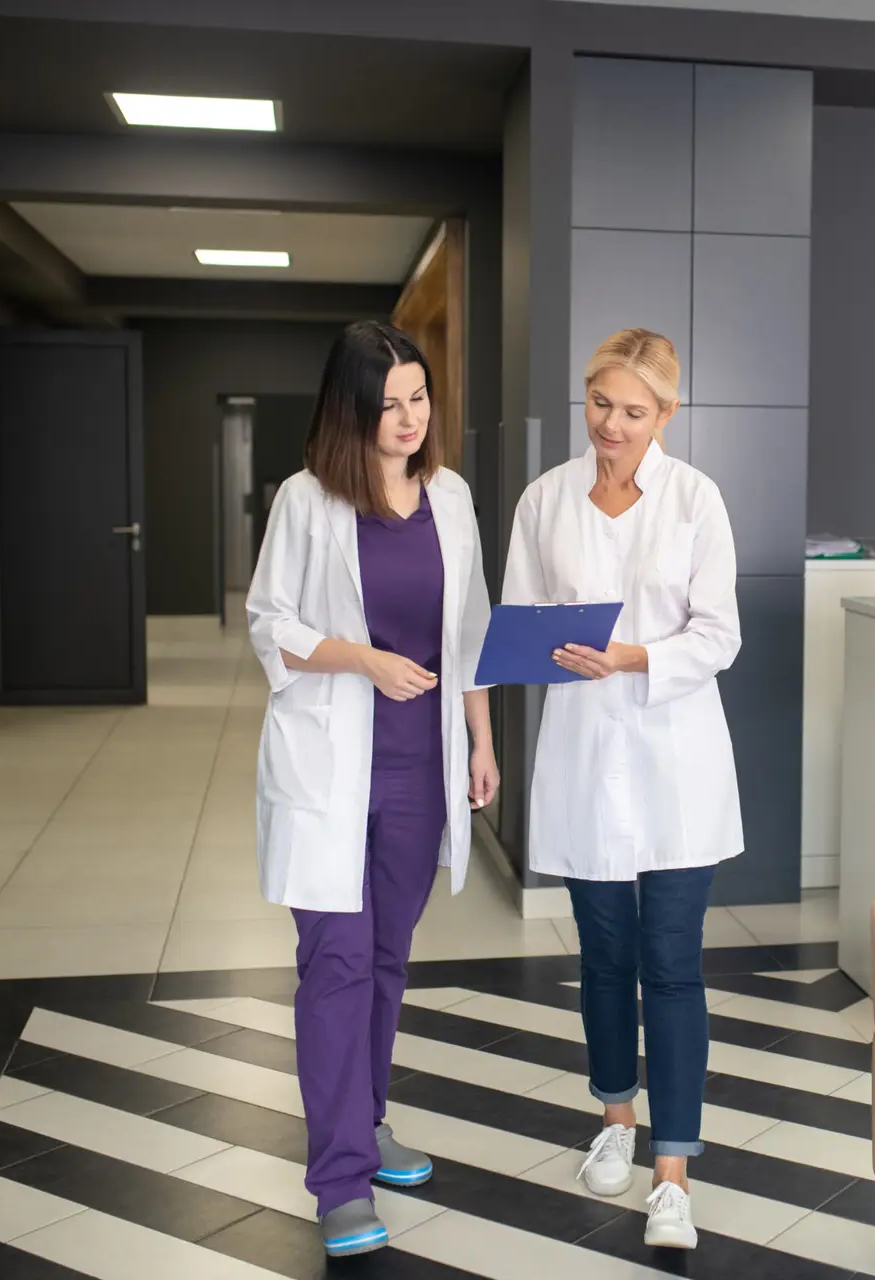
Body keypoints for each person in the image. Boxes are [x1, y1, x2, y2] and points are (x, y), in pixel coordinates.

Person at [245, 321, 498, 1258]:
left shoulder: (454, 498)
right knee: (338, 966)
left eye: (420, 398)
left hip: (417, 767)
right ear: (350, 408)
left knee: (388, 960)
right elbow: (270, 625)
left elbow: (468, 631)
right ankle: (340, 1177)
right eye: (388, 403)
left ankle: (371, 1116)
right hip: (327, 764)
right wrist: (364, 660)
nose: (408, 419)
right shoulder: (307, 502)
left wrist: (479, 742)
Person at [502, 328, 742, 1252]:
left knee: (672, 965)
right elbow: (517, 623)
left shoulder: (695, 501)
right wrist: (544, 651)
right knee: (603, 958)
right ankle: (613, 1121)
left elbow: (717, 636)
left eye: (632, 412)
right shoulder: (545, 499)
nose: (610, 425)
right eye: (599, 403)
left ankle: (673, 1173)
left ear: (666, 416)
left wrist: (636, 654)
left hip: (676, 758)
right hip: (582, 753)